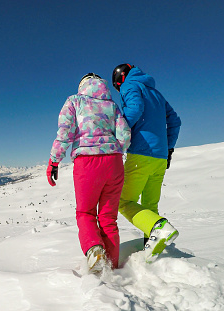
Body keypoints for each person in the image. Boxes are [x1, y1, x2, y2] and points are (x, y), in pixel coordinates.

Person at [47, 73, 131, 273]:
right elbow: (125, 135)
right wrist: (113, 150)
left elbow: (64, 133)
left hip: (87, 162)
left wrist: (54, 161)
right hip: (114, 162)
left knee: (85, 213)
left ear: (82, 85)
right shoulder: (112, 105)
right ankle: (113, 269)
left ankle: (94, 251)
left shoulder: (74, 101)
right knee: (108, 218)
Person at [111, 64, 182, 262]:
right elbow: (175, 121)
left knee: (123, 202)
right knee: (150, 205)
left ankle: (158, 228)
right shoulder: (156, 94)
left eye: (117, 86)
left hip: (141, 153)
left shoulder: (130, 86)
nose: (119, 91)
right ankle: (150, 247)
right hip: (160, 157)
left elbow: (135, 109)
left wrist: (116, 133)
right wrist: (168, 149)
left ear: (121, 78)